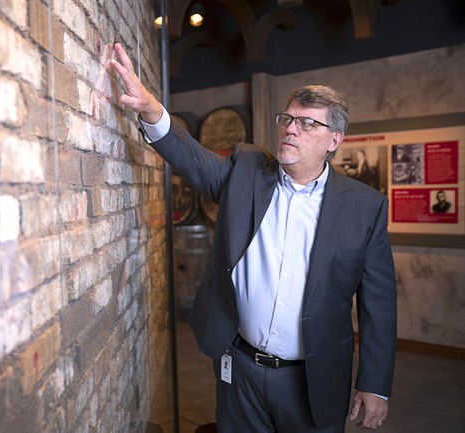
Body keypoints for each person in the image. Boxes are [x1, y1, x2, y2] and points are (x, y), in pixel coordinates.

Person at [109, 43, 397, 433]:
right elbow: (191, 157)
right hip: (239, 368)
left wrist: (374, 384)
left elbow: (378, 304)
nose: (291, 128)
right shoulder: (245, 172)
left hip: (313, 377)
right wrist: (150, 109)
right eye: (288, 119)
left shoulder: (366, 207)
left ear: (334, 140)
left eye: (308, 123)